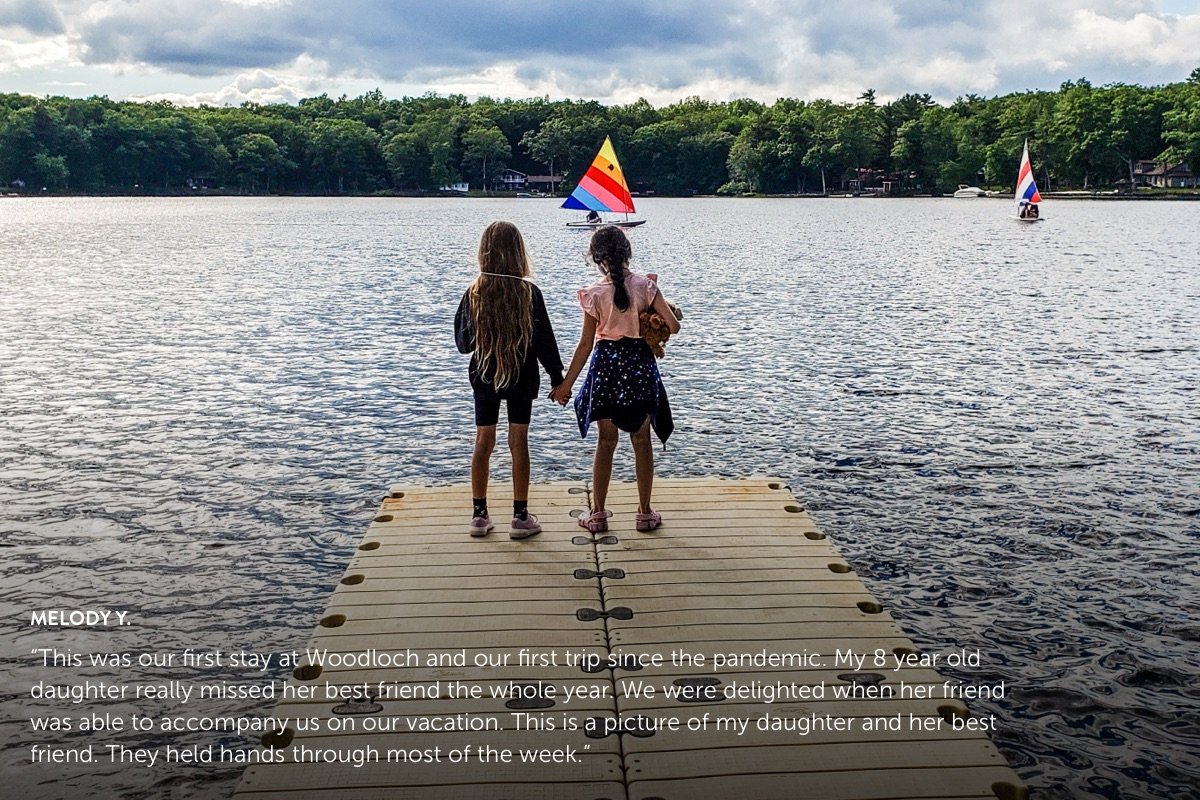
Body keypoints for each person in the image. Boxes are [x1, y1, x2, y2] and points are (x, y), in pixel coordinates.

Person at [550, 226, 680, 533]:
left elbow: (585, 345)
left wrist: (566, 385)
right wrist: (653, 309)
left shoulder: (594, 294)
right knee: (641, 440)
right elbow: (673, 326)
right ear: (627, 253)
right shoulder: (646, 287)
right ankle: (645, 513)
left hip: (606, 369)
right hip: (639, 367)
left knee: (606, 441)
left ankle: (597, 514)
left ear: (597, 259)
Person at [455, 221, 564, 539]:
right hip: (521, 374)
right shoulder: (530, 293)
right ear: (519, 253)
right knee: (519, 444)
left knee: (483, 443)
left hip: (485, 375)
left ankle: (479, 515)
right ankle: (519, 516)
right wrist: (558, 380)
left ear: (483, 253)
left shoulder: (474, 292)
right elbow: (545, 342)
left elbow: (464, 345)